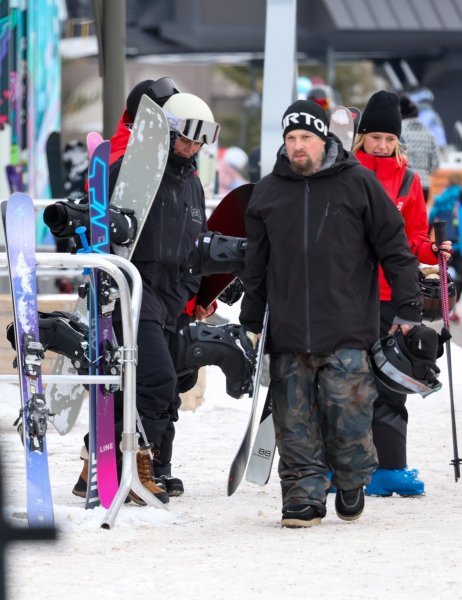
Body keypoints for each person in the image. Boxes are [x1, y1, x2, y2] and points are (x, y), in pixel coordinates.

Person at [239, 98, 425, 528]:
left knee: (349, 415)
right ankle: (302, 497)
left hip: (346, 328)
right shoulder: (267, 192)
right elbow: (256, 265)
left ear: (324, 139)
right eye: (291, 138)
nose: (298, 145)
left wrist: (408, 307)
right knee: (294, 421)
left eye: (306, 136)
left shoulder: (359, 184)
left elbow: (395, 250)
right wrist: (252, 320)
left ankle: (351, 479)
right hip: (288, 331)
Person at [73, 80, 221, 503]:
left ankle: (101, 464)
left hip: (173, 295)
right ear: (168, 133)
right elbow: (101, 228)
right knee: (154, 382)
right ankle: (138, 466)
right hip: (133, 289)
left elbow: (196, 241)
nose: (193, 149)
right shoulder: (130, 172)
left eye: (200, 142)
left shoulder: (192, 183)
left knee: (160, 384)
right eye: (186, 140)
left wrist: (197, 291)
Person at [352, 90, 452, 497]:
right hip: (347, 292)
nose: (381, 145)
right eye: (374, 137)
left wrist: (433, 250)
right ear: (361, 137)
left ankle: (388, 468)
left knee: (391, 377)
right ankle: (333, 466)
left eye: (389, 139)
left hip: (393, 293)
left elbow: (414, 235)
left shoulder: (409, 179)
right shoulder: (343, 172)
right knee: (345, 379)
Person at [399, 94, 440, 204]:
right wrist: (423, 173)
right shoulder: (429, 134)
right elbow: (435, 165)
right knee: (420, 220)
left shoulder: (398, 133)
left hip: (403, 184)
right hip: (424, 186)